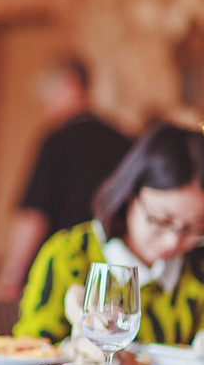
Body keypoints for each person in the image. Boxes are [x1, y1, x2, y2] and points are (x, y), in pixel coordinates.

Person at [14, 123, 204, 348]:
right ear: (131, 193)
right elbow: (30, 352)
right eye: (161, 220)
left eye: (194, 227)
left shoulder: (197, 268)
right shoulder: (70, 255)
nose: (172, 241)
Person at [0, 56, 132, 296]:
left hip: (57, 273)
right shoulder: (123, 140)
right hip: (111, 275)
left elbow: (34, 214)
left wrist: (12, 274)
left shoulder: (56, 141)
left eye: (49, 91)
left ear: (71, 85)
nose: (44, 102)